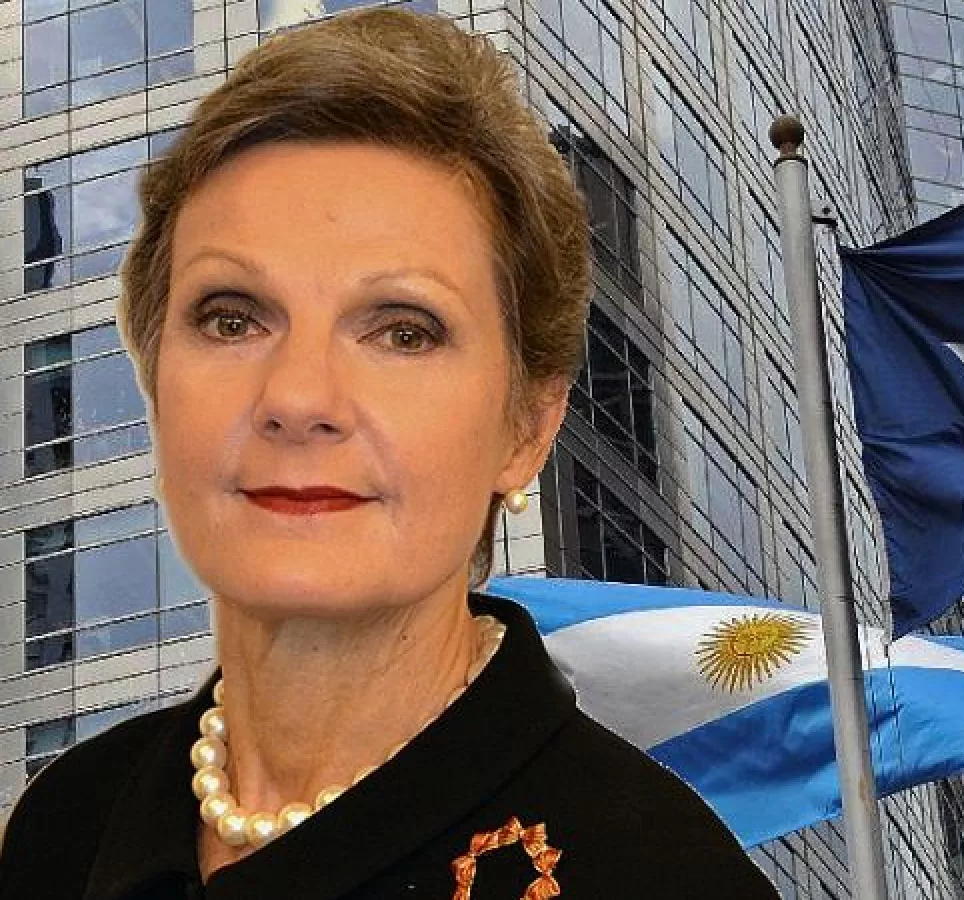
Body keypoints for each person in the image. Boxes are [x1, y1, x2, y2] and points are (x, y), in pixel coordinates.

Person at [0, 7, 780, 898]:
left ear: (527, 427)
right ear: (153, 373)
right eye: (232, 320)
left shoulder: (658, 873)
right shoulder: (68, 823)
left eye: (404, 332)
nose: (297, 399)